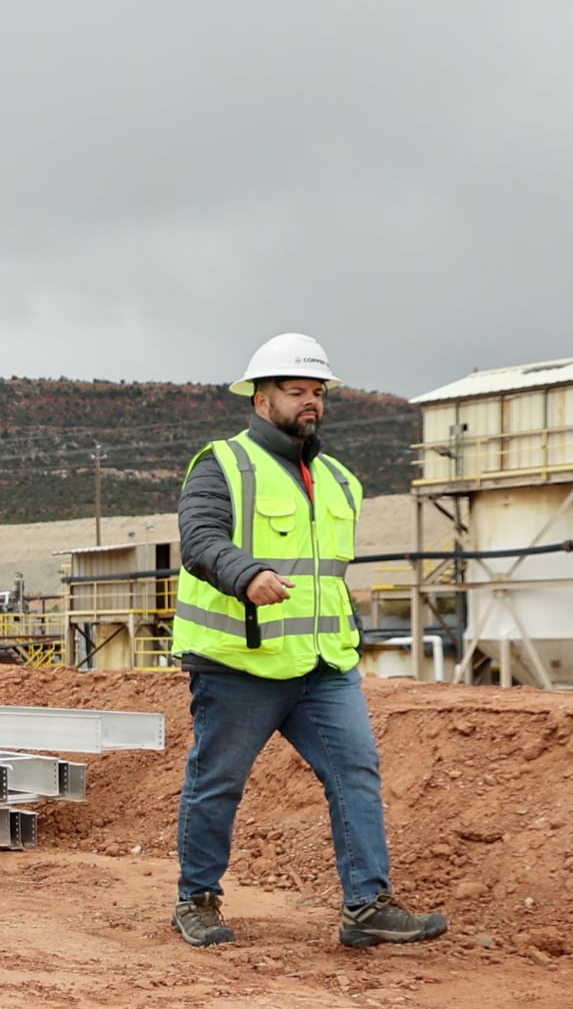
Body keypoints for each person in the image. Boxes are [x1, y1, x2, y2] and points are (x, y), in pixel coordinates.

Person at [170, 335, 448, 951]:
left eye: (317, 393)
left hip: (324, 666)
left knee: (356, 772)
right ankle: (197, 899)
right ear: (260, 397)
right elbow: (200, 540)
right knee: (218, 782)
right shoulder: (224, 464)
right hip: (240, 662)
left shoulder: (340, 481)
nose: (309, 403)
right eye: (296, 392)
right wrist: (247, 576)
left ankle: (367, 905)